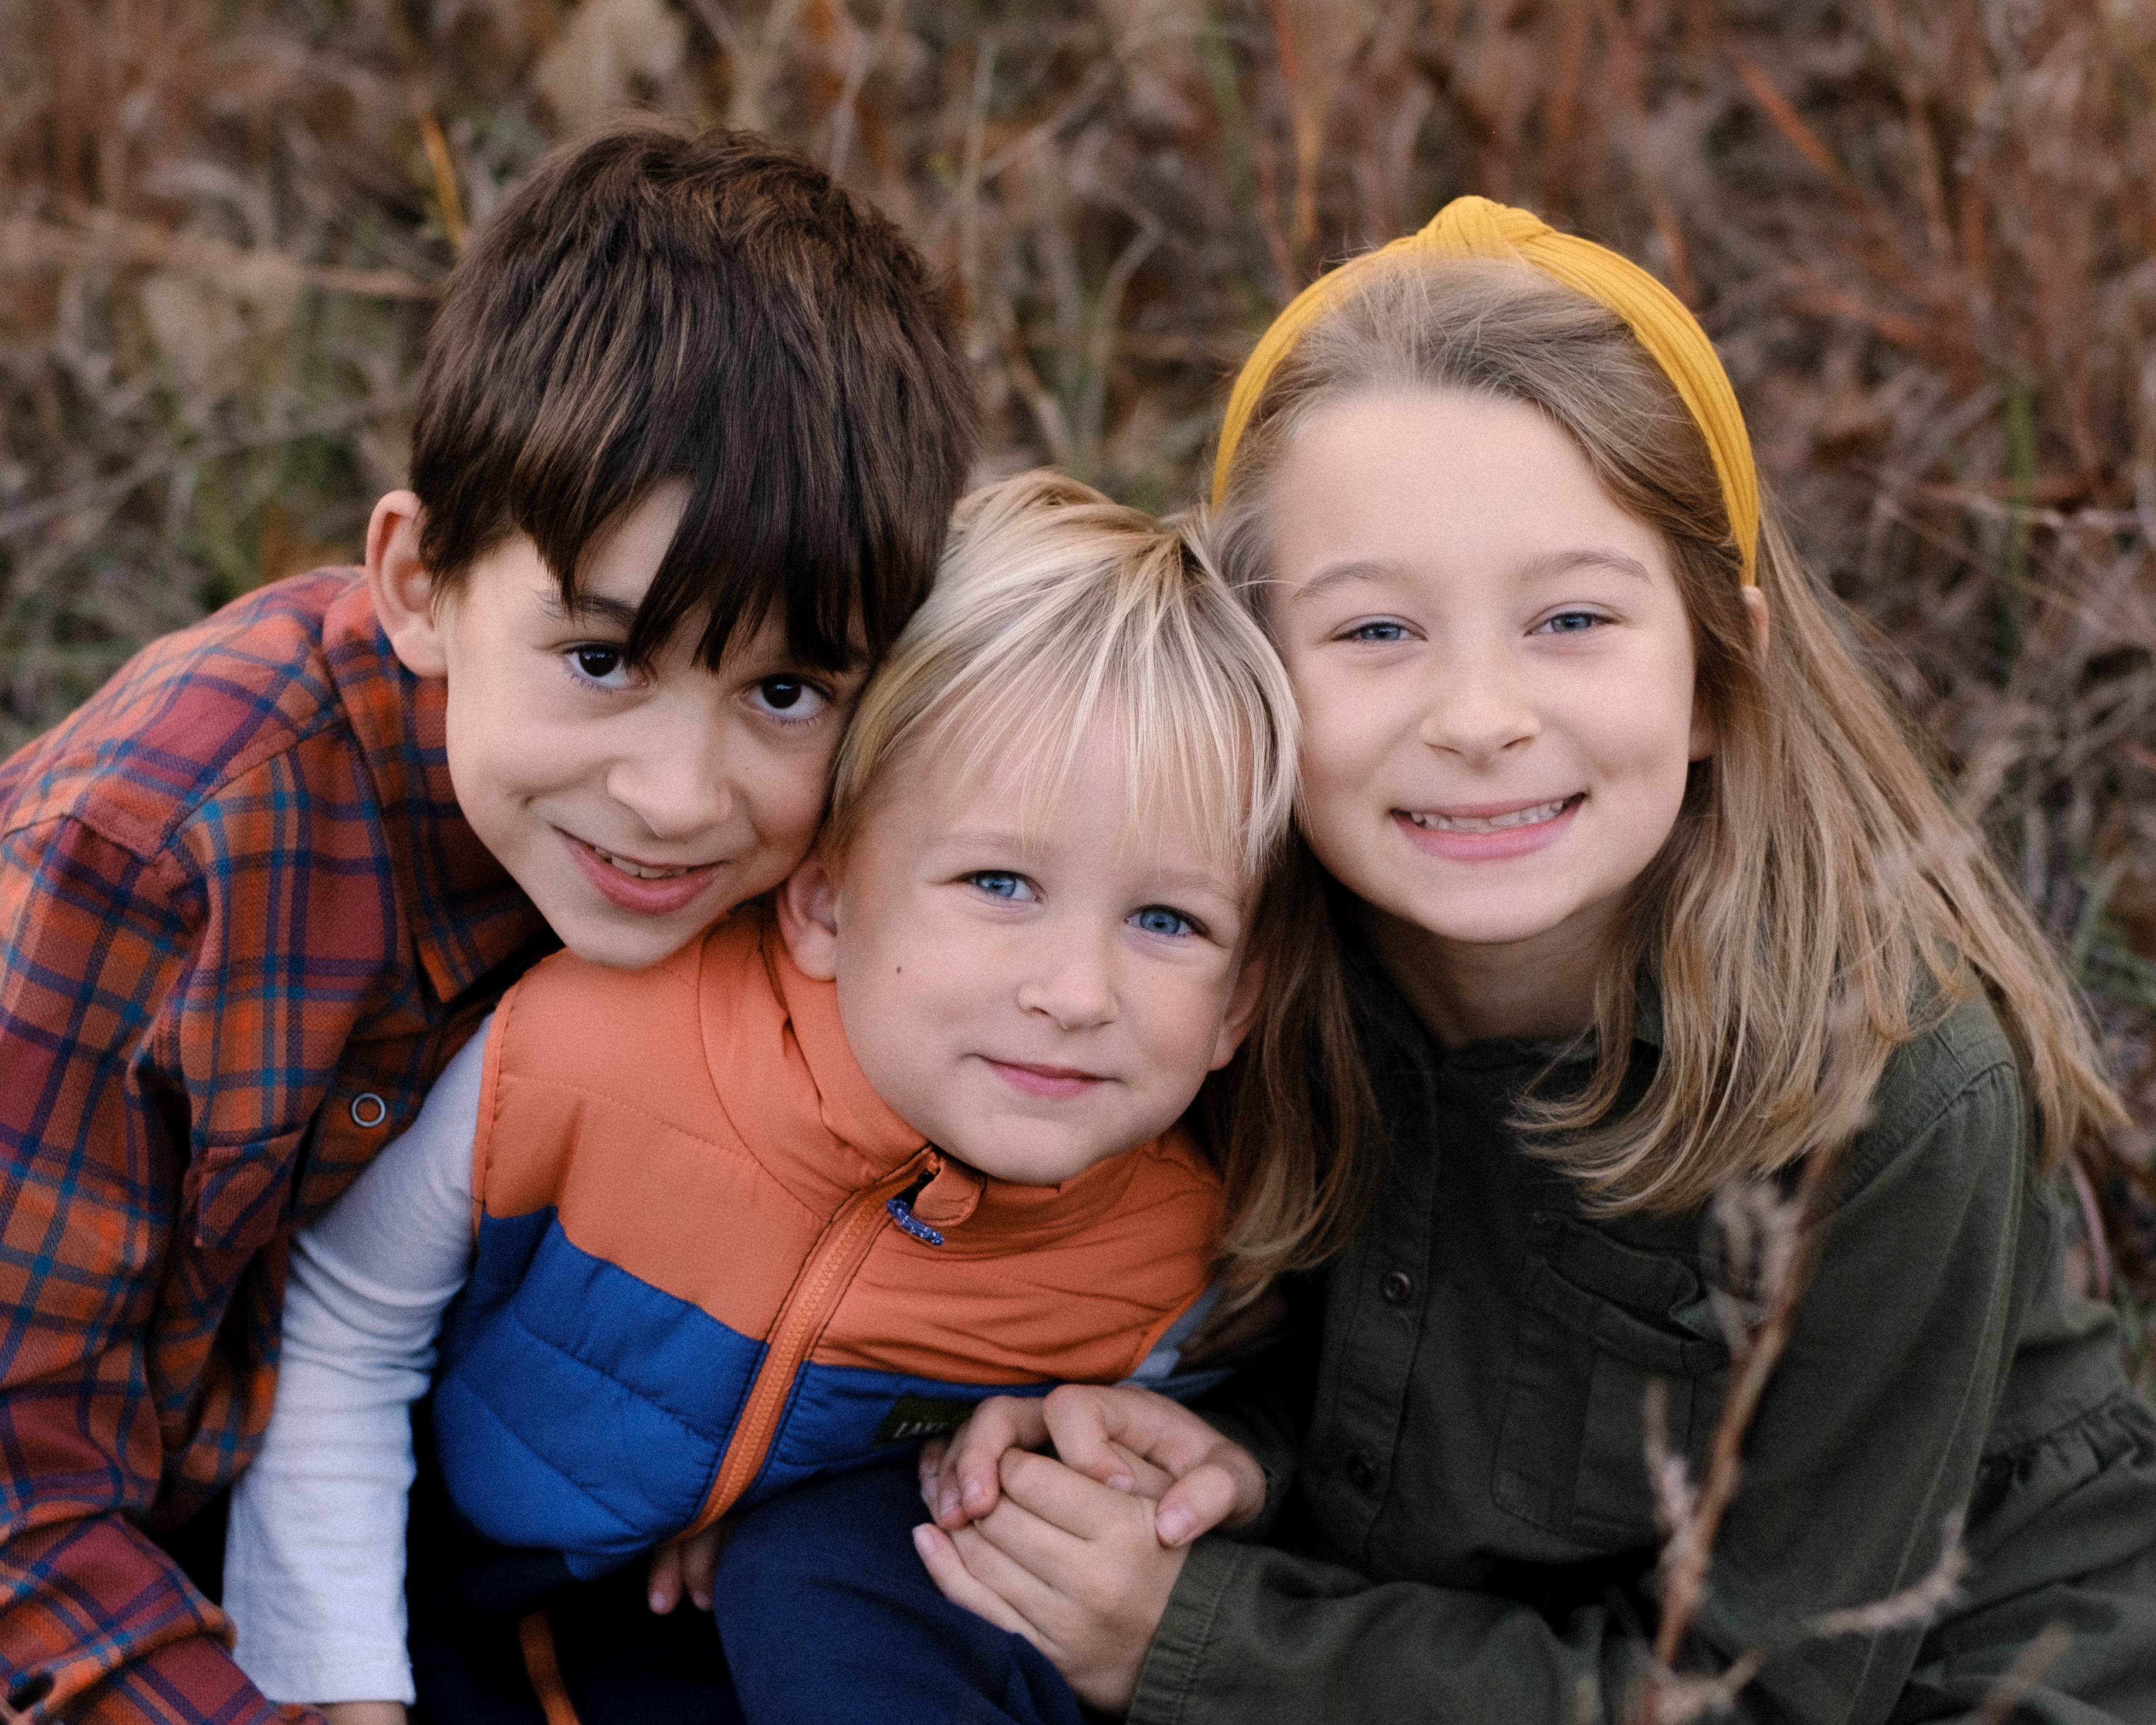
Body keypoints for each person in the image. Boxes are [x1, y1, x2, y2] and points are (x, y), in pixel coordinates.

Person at [915, 197, 2156, 1723]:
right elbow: (1422, 1372)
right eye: (1374, 630)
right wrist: (1237, 1449)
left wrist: (1201, 1636)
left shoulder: (1885, 1089)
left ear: (1718, 668)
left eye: (1569, 617)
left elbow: (1765, 1695)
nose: (1478, 715)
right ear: (1250, 668)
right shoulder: (1232, 957)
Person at [0, 120, 977, 1725]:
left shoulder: (819, 869)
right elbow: (21, 1500)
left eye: (784, 689)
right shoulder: (157, 857)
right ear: (418, 583)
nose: (676, 795)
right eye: (602, 658)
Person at [218, 472, 1348, 1725]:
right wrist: (342, 1689)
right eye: (997, 884)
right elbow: (345, 1329)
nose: (1076, 992)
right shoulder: (583, 1054)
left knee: (827, 1582)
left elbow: (1224, 1416)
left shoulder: (1170, 1255)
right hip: (434, 1565)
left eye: (1164, 919)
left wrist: (1095, 1445)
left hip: (714, 1629)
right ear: (821, 901)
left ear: (1240, 1004)